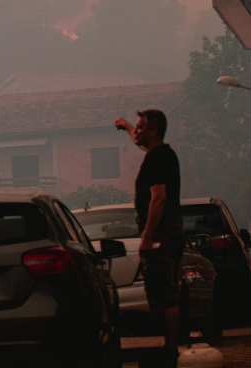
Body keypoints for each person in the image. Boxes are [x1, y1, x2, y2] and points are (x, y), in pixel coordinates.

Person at [115, 109, 183, 365]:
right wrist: (125, 125)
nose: (137, 132)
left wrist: (147, 236)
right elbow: (139, 141)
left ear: (153, 131)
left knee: (165, 291)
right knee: (163, 289)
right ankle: (169, 346)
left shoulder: (157, 159)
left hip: (162, 232)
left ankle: (171, 349)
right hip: (169, 229)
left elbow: (159, 197)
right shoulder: (161, 153)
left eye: (141, 127)